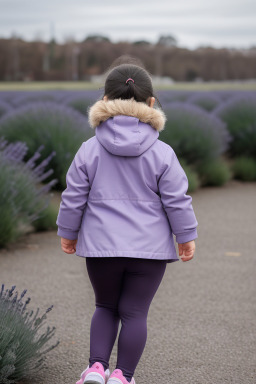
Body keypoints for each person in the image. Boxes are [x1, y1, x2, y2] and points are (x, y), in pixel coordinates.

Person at [56, 62, 198, 384]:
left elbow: (73, 196)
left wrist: (68, 232)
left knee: (105, 306)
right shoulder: (163, 154)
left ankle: (95, 368)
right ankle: (123, 376)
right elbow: (177, 199)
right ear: (151, 103)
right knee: (135, 313)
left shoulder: (88, 150)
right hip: (148, 252)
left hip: (102, 248)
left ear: (105, 99)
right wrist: (185, 236)